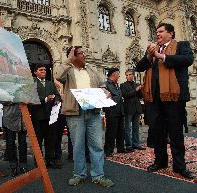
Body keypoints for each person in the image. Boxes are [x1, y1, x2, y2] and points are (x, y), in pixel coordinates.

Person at [137, 23, 194, 179]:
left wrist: (162, 56)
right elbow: (139, 67)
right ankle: (160, 161)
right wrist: (150, 55)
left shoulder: (182, 45)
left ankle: (179, 166)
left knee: (175, 133)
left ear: (171, 33)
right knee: (157, 132)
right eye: (156, 32)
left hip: (174, 97)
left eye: (161, 31)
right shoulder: (152, 51)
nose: (158, 34)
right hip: (154, 99)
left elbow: (188, 59)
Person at [54, 46, 114, 187]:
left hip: (93, 111)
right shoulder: (67, 70)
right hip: (75, 112)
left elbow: (102, 84)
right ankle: (79, 174)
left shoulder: (91, 69)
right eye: (80, 54)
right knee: (78, 145)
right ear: (73, 56)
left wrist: (105, 92)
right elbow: (57, 76)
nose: (84, 56)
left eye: (83, 53)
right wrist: (68, 59)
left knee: (97, 145)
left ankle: (98, 175)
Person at [29, 64, 61, 168]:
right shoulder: (31, 83)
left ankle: (50, 160)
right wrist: (46, 99)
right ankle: (38, 161)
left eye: (45, 70)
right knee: (38, 140)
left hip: (51, 117)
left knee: (50, 139)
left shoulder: (50, 84)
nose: (44, 71)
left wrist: (56, 100)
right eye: (41, 70)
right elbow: (32, 98)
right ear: (35, 72)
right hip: (38, 117)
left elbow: (58, 96)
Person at [103, 67, 127, 157]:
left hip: (120, 110)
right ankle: (108, 150)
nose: (119, 75)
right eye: (118, 73)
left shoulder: (116, 84)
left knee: (121, 131)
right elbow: (108, 97)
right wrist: (117, 97)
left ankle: (121, 148)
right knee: (111, 132)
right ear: (113, 74)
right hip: (112, 111)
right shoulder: (106, 84)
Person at [120, 69, 145, 151]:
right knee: (127, 128)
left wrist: (141, 90)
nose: (128, 76)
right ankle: (128, 145)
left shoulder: (136, 84)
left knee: (136, 127)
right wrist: (135, 90)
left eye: (130, 74)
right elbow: (125, 95)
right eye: (127, 75)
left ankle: (136, 144)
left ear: (133, 75)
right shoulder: (123, 85)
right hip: (128, 109)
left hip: (137, 108)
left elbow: (140, 96)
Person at [3, 103, 29, 176]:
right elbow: (2, 99)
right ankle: (13, 166)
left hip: (22, 117)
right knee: (10, 143)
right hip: (9, 117)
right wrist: (16, 98)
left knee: (23, 143)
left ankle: (23, 165)